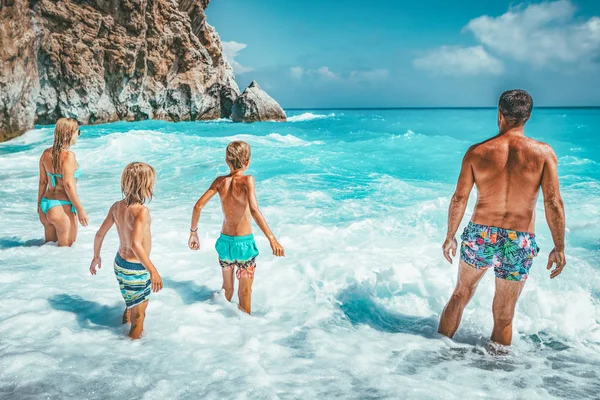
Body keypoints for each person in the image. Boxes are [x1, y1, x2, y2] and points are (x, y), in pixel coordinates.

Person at [438, 89, 566, 348]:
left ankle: (436, 353)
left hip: (480, 233)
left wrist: (450, 236)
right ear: (527, 117)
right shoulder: (543, 154)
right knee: (504, 315)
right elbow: (552, 202)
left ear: (499, 115)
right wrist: (559, 247)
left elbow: (459, 198)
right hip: (518, 239)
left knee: (461, 294)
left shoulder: (476, 152)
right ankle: (498, 378)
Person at [188, 140, 285, 314]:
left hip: (225, 244)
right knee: (244, 292)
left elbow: (198, 206)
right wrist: (272, 239)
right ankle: (243, 331)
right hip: (244, 246)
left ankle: (220, 325)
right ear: (247, 162)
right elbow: (254, 210)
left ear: (227, 160)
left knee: (227, 290)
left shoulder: (219, 181)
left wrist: (193, 233)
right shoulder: (248, 180)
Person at [89, 162, 163, 339]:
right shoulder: (141, 211)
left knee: (131, 303)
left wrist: (96, 256)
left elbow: (99, 234)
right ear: (145, 185)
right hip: (135, 268)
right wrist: (153, 271)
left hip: (120, 264)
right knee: (140, 315)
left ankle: (121, 335)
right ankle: (130, 350)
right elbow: (135, 244)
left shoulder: (116, 206)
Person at [37, 118, 88, 246]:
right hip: (61, 207)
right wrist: (80, 209)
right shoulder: (68, 156)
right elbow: (68, 185)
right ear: (69, 134)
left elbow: (43, 182)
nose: (78, 135)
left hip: (45, 205)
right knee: (66, 251)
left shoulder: (45, 154)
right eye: (78, 131)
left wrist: (39, 205)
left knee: (49, 251)